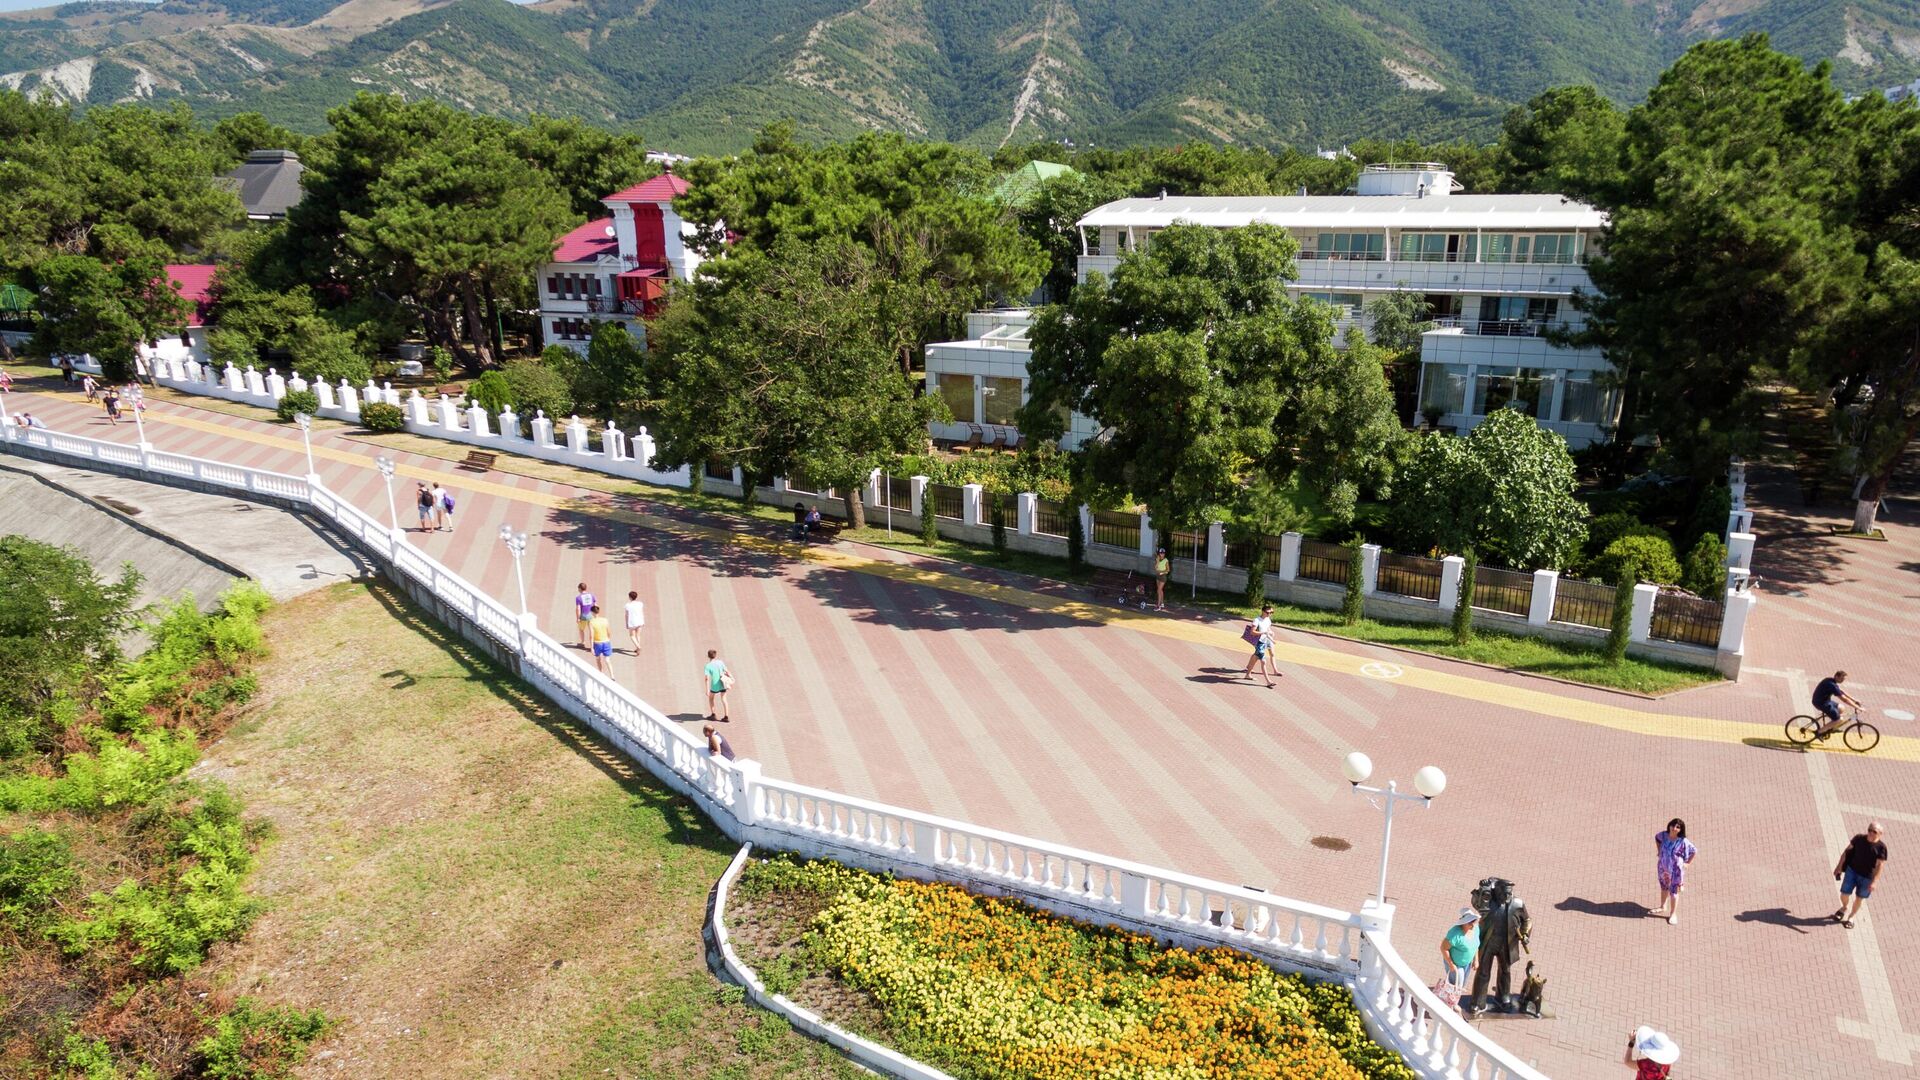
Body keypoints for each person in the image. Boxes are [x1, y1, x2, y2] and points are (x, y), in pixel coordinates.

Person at [1833, 822, 1887, 929]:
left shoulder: (1881, 848)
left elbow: (1880, 865)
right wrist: (1839, 866)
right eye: (1869, 830)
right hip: (1852, 871)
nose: (1871, 833)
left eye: (1874, 831)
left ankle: (1851, 917)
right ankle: (1844, 907)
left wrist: (1875, 881)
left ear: (1880, 834)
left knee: (1859, 898)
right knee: (1844, 894)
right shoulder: (1859, 838)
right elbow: (1846, 852)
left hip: (1867, 878)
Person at [1651, 818, 1696, 925]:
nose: (1674, 828)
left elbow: (1694, 850)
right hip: (1663, 868)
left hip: (1676, 871)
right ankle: (1663, 906)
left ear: (1680, 830)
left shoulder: (1683, 841)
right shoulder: (1664, 835)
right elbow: (1657, 838)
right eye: (1673, 825)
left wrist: (1688, 863)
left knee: (1674, 892)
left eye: (1677, 827)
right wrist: (1659, 851)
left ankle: (1673, 913)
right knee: (1664, 887)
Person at [1812, 670, 1864, 738]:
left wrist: (1854, 700)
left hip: (1825, 701)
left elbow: (1841, 691)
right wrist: (1857, 707)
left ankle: (1833, 726)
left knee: (1841, 708)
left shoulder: (1830, 680)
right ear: (1836, 676)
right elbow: (1844, 699)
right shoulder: (1831, 685)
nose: (1842, 681)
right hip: (1821, 703)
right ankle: (1819, 733)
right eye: (1841, 679)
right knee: (1839, 719)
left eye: (1844, 679)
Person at [1442, 907, 1480, 991]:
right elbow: (1443, 948)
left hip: (1467, 964)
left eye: (1474, 921)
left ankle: (1455, 995)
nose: (1473, 924)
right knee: (1455, 986)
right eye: (1470, 922)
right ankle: (1450, 998)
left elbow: (1475, 945)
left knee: (1461, 984)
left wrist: (1476, 960)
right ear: (1463, 923)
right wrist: (1451, 964)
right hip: (1456, 964)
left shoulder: (1476, 929)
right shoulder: (1455, 934)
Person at [1240, 603, 1278, 686]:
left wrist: (1271, 636)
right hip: (1259, 643)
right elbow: (1252, 632)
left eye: (1271, 613)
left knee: (1255, 657)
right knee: (1263, 661)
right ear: (1263, 612)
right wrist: (1263, 632)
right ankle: (1268, 681)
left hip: (1264, 642)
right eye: (1268, 613)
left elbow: (1267, 630)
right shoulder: (1257, 620)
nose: (1269, 614)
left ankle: (1248, 674)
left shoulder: (1268, 620)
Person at [703, 649, 731, 722]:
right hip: (722, 683)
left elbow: (707, 678)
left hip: (714, 685)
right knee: (724, 699)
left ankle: (713, 715)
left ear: (708, 656)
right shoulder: (720, 662)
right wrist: (731, 678)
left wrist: (707, 690)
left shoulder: (708, 666)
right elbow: (726, 671)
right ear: (715, 655)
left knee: (711, 698)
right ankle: (726, 716)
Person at [588, 604, 612, 674]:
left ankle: (601, 673)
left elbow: (591, 636)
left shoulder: (591, 622)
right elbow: (609, 632)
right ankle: (612, 675)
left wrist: (591, 647)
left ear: (592, 612)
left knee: (598, 659)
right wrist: (608, 639)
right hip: (606, 642)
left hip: (597, 643)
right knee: (607, 660)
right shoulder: (605, 620)